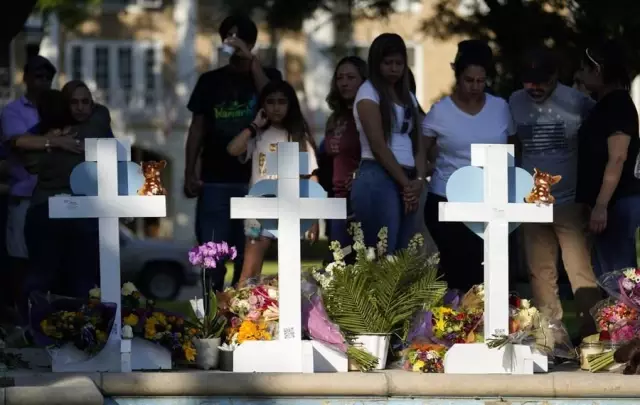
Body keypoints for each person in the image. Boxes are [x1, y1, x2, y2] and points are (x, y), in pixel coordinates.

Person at [185, 14, 281, 292]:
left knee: (248, 261)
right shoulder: (209, 81)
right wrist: (189, 172)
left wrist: (251, 61)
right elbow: (197, 129)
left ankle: (243, 321)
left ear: (251, 42)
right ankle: (211, 320)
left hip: (256, 181)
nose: (235, 42)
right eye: (230, 37)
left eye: (241, 38)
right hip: (215, 179)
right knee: (212, 256)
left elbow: (272, 100)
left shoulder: (269, 76)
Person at [509, 47, 600, 338]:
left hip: (570, 201)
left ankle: (593, 338)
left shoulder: (579, 103)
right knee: (540, 274)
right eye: (528, 81)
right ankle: (552, 340)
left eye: (542, 81)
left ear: (555, 77)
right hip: (531, 201)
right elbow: (515, 145)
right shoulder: (514, 102)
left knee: (580, 273)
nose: (534, 87)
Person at [422, 40, 515, 292]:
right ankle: (456, 326)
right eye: (468, 80)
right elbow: (421, 148)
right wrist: (420, 177)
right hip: (446, 198)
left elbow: (514, 147)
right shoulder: (440, 111)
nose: (475, 87)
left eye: (480, 81)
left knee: (489, 272)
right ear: (457, 76)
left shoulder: (501, 108)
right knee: (457, 272)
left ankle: (490, 325)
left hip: (491, 201)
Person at [18, 83, 112, 318]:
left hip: (75, 212)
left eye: (85, 101)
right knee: (46, 276)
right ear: (64, 105)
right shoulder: (50, 131)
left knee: (78, 280)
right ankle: (37, 327)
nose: (81, 107)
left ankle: (71, 330)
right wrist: (53, 141)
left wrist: (50, 142)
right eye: (74, 102)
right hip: (49, 212)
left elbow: (24, 150)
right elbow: (19, 143)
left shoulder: (96, 121)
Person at [227, 80, 319, 283]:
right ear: (263, 105)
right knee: (249, 273)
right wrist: (253, 126)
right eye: (270, 102)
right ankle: (243, 313)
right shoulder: (257, 135)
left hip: (289, 210)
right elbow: (233, 149)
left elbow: (310, 176)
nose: (276, 107)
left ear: (290, 105)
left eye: (281, 102)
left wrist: (313, 216)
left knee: (289, 273)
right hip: (259, 210)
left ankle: (284, 313)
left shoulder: (298, 137)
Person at [351, 33, 425, 253]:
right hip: (378, 175)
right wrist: (406, 185)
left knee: (405, 255)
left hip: (409, 178)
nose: (394, 68)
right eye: (388, 63)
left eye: (399, 63)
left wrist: (418, 180)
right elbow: (378, 146)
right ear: (376, 63)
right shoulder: (367, 93)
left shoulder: (408, 97)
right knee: (383, 252)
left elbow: (419, 143)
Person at [575, 41, 640, 277]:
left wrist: (601, 206)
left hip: (617, 204)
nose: (579, 75)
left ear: (598, 70)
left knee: (620, 279)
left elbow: (618, 157)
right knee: (608, 275)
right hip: (608, 203)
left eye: (583, 69)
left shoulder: (618, 106)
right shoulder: (604, 105)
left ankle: (628, 316)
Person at [0, 56, 56, 312]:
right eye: (37, 76)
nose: (42, 82)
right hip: (24, 195)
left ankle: (47, 319)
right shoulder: (12, 111)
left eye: (47, 77)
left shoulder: (58, 109)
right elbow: (18, 142)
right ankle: (20, 316)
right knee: (20, 261)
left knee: (49, 262)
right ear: (25, 78)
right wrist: (53, 140)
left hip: (53, 197)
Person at [322, 56, 366, 249]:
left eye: (351, 77)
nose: (344, 83)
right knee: (339, 263)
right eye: (340, 78)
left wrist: (360, 174)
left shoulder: (368, 113)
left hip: (361, 196)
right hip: (336, 199)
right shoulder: (334, 119)